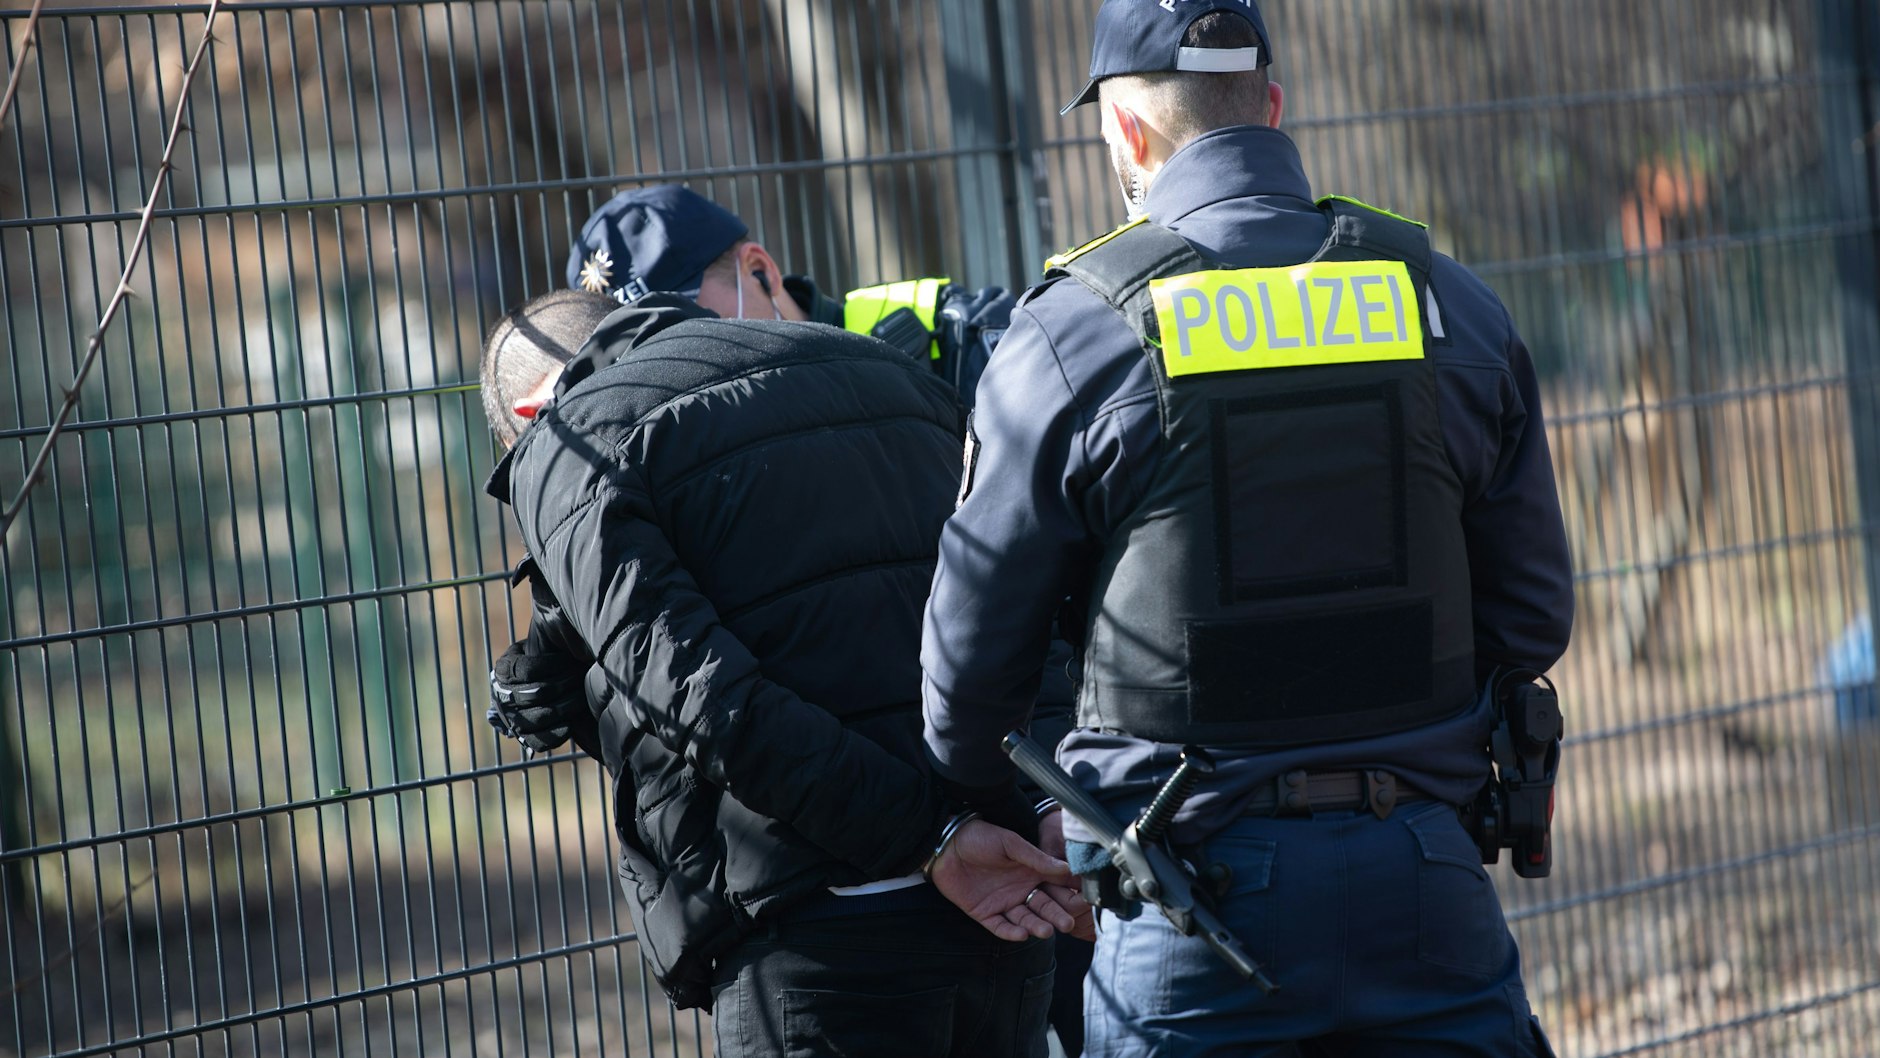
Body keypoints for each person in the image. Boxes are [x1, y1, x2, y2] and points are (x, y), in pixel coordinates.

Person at [918, 2, 1575, 1055]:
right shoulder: (1446, 303)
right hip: (1425, 880)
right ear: (1270, 105)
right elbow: (1531, 618)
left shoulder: (1072, 335)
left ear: (1124, 131)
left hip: (1189, 908)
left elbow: (964, 694)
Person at [481, 287, 1087, 1057]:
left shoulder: (573, 442)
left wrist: (930, 838)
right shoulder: (890, 371)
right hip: (1008, 899)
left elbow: (701, 696)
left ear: (531, 415)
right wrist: (1049, 797)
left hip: (822, 930)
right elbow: (1025, 610)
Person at [564, 184, 1012, 402]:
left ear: (760, 271)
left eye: (676, 316)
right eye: (632, 343)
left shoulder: (952, 335)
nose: (661, 351)